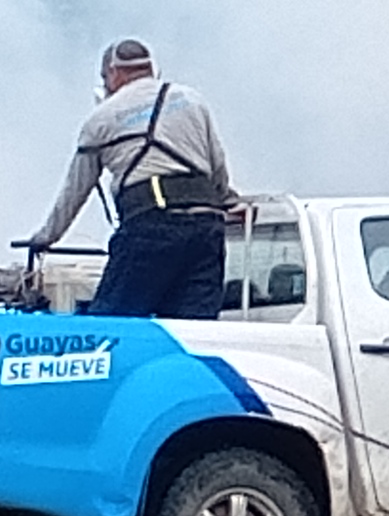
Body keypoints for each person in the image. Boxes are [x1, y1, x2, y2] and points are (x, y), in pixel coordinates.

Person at [26, 40, 234, 317]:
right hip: (206, 229)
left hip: (150, 227)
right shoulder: (191, 101)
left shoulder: (101, 119)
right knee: (191, 330)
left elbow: (75, 191)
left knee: (112, 324)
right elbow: (218, 167)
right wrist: (230, 202)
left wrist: (44, 238)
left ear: (113, 73)